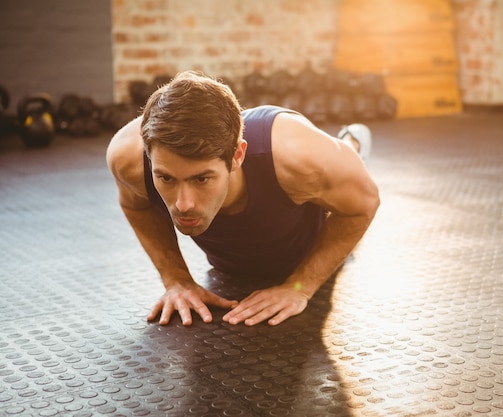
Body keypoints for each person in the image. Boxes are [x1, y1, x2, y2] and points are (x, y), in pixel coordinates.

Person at [106, 70, 379, 327]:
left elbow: (364, 204)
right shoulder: (128, 157)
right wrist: (176, 280)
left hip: (303, 240)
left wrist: (300, 287)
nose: (183, 204)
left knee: (342, 170)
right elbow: (136, 206)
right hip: (231, 263)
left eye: (201, 179)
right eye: (166, 178)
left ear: (237, 156)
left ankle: (352, 142)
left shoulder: (297, 156)